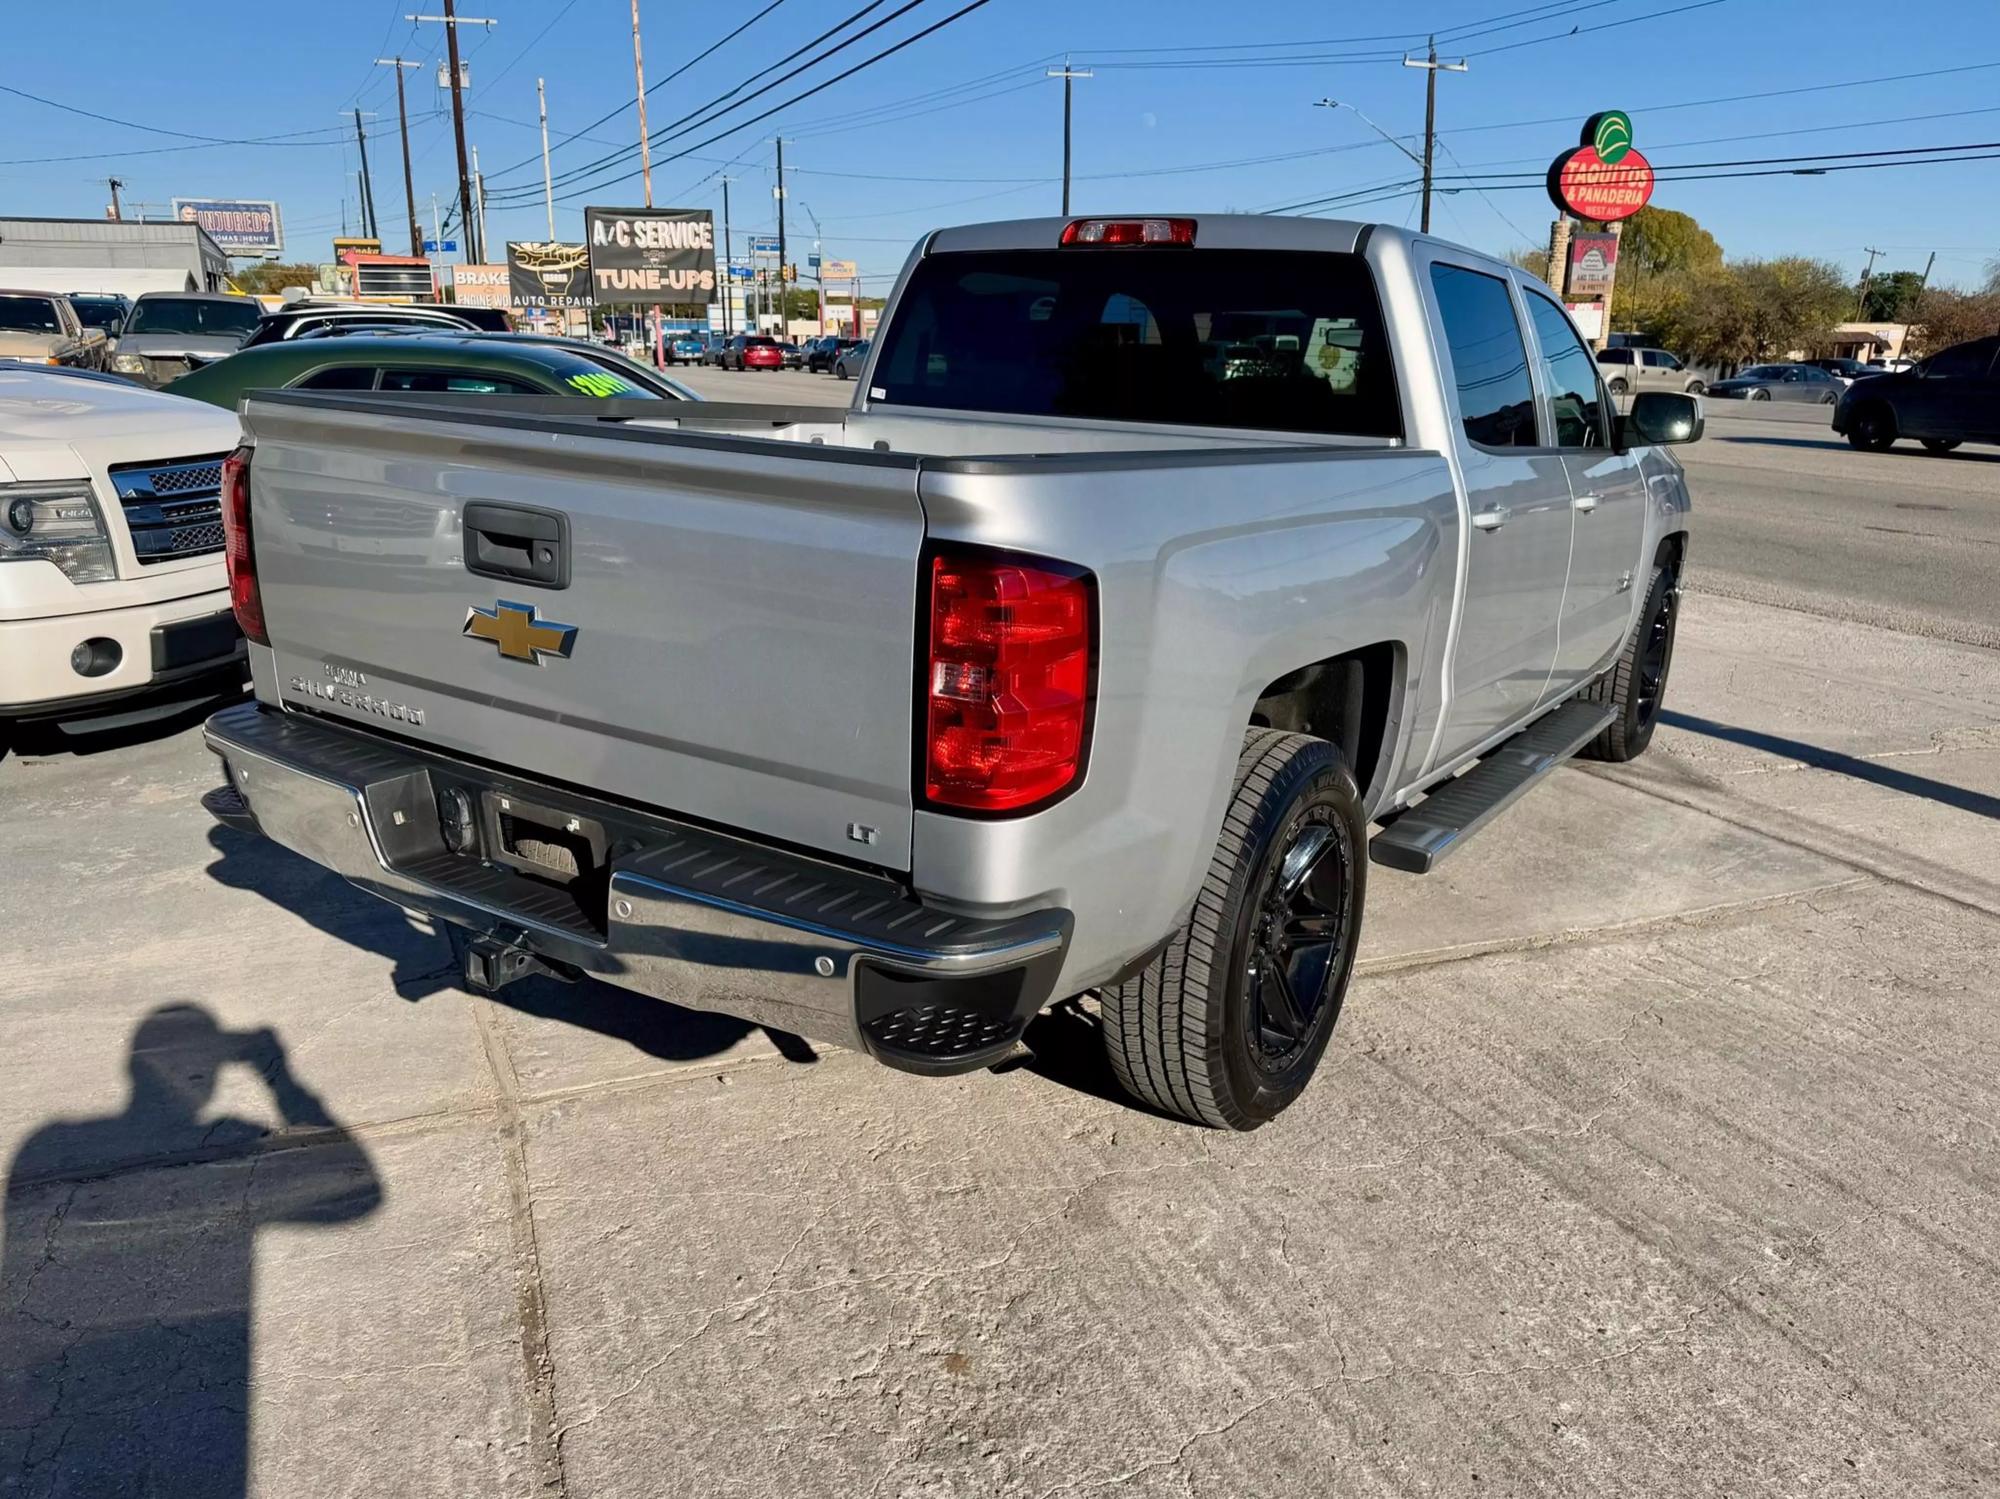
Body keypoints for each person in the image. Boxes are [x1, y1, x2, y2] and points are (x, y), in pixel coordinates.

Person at [1, 1005, 381, 1497]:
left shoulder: (49, 1141)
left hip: (50, 1412)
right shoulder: (237, 1138)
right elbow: (358, 1192)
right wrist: (282, 1078)